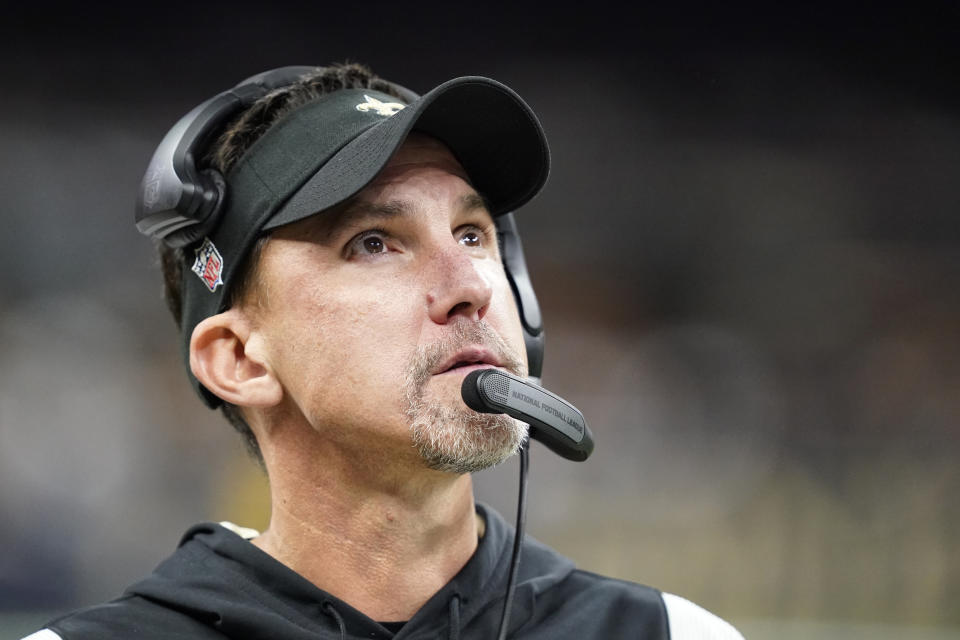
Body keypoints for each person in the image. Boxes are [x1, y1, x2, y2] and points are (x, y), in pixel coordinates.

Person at [24, 63, 744, 639]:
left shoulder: (674, 634)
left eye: (472, 234)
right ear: (239, 359)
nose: (468, 288)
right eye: (374, 243)